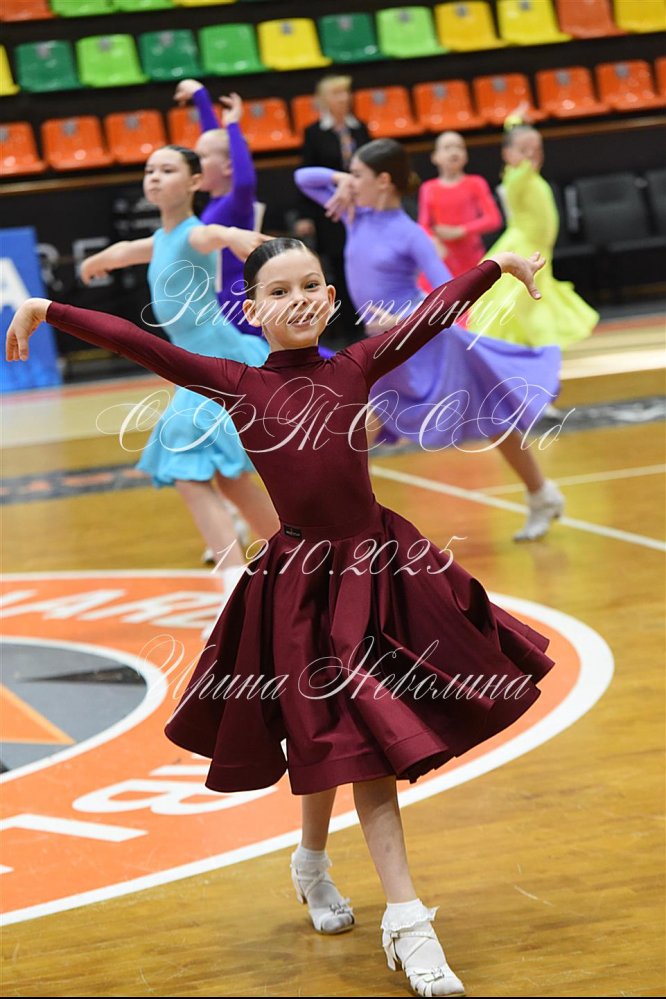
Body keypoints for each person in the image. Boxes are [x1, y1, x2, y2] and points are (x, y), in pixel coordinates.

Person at [9, 241, 555, 999]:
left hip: (380, 573)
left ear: (329, 298)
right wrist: (47, 308)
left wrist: (495, 268)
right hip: (300, 589)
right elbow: (144, 345)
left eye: (309, 285)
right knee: (334, 737)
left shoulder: (356, 364)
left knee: (361, 743)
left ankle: (374, 900)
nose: (297, 298)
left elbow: (431, 314)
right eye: (278, 290)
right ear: (253, 311)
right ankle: (361, 892)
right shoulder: (236, 381)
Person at [294, 139, 565, 543]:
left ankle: (541, 493)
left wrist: (402, 318)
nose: (351, 182)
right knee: (360, 423)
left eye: (358, 175)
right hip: (385, 348)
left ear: (383, 181)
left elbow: (450, 294)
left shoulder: (410, 234)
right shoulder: (354, 213)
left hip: (426, 345)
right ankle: (335, 518)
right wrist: (340, 180)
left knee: (491, 417)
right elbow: (303, 178)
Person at [80, 144, 280, 576]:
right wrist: (98, 261)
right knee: (229, 478)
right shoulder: (161, 240)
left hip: (215, 361)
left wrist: (233, 236)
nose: (154, 176)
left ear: (194, 182)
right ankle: (301, 559)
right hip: (196, 366)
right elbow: (126, 251)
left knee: (189, 472)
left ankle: (233, 580)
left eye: (167, 170)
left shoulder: (194, 232)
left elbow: (212, 235)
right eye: (149, 169)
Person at [467, 122, 599, 348]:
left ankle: (535, 340)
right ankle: (518, 340)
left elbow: (516, 134)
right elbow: (516, 182)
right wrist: (527, 162)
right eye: (523, 150)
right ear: (507, 154)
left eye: (536, 149)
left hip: (540, 247)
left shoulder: (531, 176)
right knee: (518, 295)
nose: (531, 155)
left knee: (535, 294)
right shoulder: (515, 177)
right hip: (524, 246)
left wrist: (516, 120)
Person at [293, 73, 371, 347]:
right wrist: (305, 215)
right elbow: (305, 174)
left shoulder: (359, 128)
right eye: (337, 93)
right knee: (338, 267)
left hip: (361, 210)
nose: (344, 98)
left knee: (364, 264)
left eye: (346, 92)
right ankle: (349, 331)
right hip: (330, 212)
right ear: (325, 99)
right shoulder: (314, 133)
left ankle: (370, 323)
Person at [418, 130, 503, 280]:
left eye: (459, 147)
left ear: (466, 155)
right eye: (447, 147)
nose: (454, 152)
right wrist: (433, 241)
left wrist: (461, 231)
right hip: (443, 257)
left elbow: (494, 219)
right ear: (435, 157)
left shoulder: (476, 183)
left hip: (471, 258)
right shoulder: (428, 188)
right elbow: (423, 225)